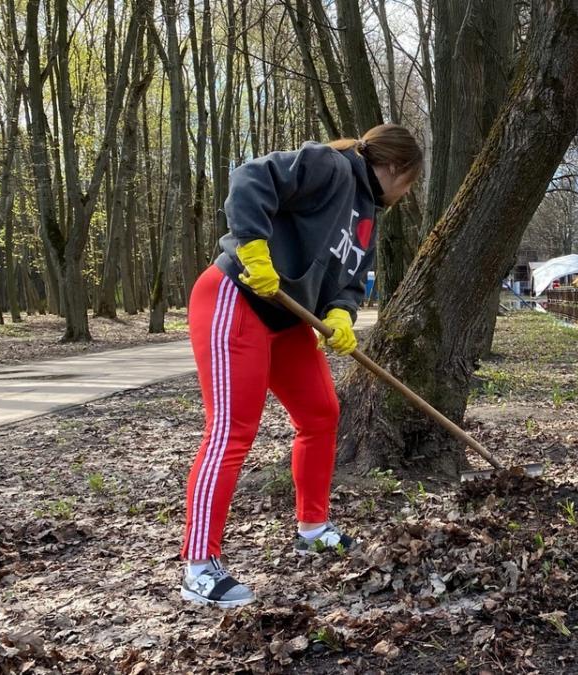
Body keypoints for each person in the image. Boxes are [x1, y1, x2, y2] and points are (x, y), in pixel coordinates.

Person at [179, 124, 423, 608]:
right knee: (231, 430)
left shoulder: (368, 217)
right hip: (237, 296)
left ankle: (312, 528)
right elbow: (251, 178)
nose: (407, 192)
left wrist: (339, 312)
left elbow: (350, 281)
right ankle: (199, 567)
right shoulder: (330, 167)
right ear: (395, 166)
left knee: (320, 414)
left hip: (286, 316)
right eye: (410, 181)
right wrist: (251, 245)